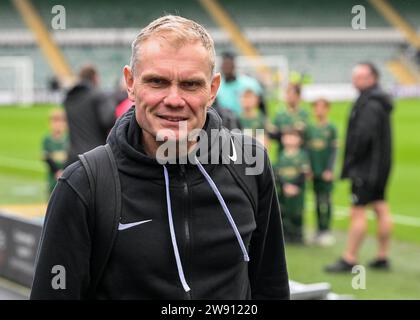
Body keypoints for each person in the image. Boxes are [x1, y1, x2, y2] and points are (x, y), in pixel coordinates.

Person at [30, 15, 289, 300]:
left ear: (212, 89)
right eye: (157, 82)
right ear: (130, 83)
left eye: (191, 85)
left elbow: (271, 287)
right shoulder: (83, 185)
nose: (174, 99)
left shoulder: (250, 164)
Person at [326, 62, 393, 272]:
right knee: (381, 207)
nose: (356, 79)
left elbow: (362, 137)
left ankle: (350, 257)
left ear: (373, 78)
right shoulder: (378, 101)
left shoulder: (369, 104)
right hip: (379, 168)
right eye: (355, 75)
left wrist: (351, 162)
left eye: (361, 76)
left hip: (366, 169)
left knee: (358, 210)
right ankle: (382, 256)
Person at [63, 65, 116, 165]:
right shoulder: (97, 95)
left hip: (73, 158)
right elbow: (108, 120)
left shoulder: (69, 98)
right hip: (95, 157)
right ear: (95, 78)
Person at [306, 98, 337, 246]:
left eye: (322, 107)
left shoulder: (331, 128)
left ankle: (327, 230)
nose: (318, 110)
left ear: (327, 109)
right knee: (317, 200)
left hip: (326, 172)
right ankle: (319, 229)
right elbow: (307, 150)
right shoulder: (310, 129)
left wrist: (330, 169)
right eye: (316, 107)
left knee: (327, 200)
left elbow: (334, 151)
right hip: (315, 171)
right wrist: (309, 168)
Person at [273, 129, 310, 244]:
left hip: (297, 190)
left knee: (297, 213)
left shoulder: (302, 155)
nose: (290, 139)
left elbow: (304, 174)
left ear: (300, 140)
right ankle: (286, 234)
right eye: (287, 136)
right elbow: (278, 174)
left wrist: (295, 186)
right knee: (284, 211)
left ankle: (298, 235)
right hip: (284, 191)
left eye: (293, 136)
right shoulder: (281, 155)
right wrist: (285, 186)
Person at [217, 52, 264, 116]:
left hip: (245, 122)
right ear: (222, 66)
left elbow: (262, 105)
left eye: (229, 64)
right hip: (225, 122)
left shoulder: (249, 83)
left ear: (234, 65)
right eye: (225, 65)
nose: (227, 67)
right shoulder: (217, 86)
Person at [269, 83, 309, 151]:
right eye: (288, 94)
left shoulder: (303, 114)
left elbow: (306, 132)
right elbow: (273, 131)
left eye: (292, 94)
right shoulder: (280, 114)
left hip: (299, 153)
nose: (289, 97)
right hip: (282, 152)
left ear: (298, 96)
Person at [42, 108, 69, 195]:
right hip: (53, 178)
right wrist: (57, 171)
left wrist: (64, 171)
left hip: (67, 176)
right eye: (55, 121)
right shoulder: (47, 140)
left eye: (61, 122)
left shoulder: (68, 139)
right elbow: (46, 157)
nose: (58, 125)